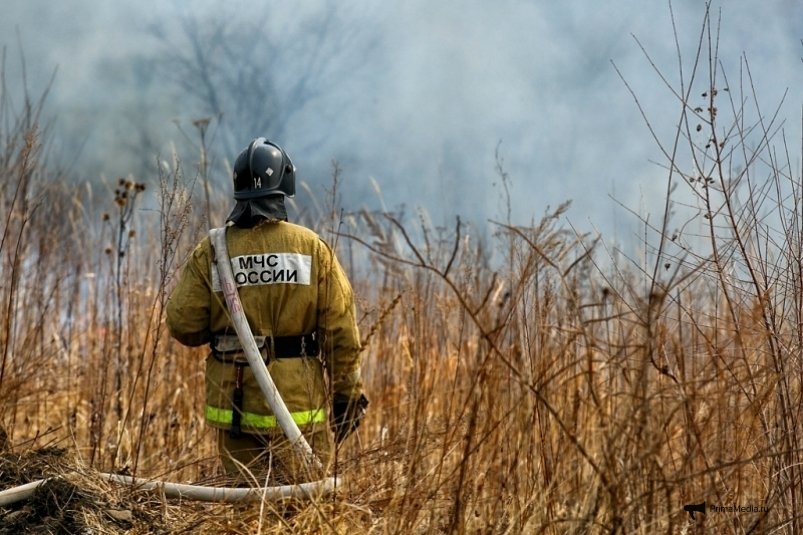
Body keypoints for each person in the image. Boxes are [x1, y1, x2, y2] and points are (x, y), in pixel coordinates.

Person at [165, 137, 367, 484]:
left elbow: (184, 324)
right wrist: (346, 395)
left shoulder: (212, 250)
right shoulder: (310, 248)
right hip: (300, 408)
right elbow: (340, 330)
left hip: (236, 408)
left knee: (247, 507)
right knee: (305, 507)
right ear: (283, 186)